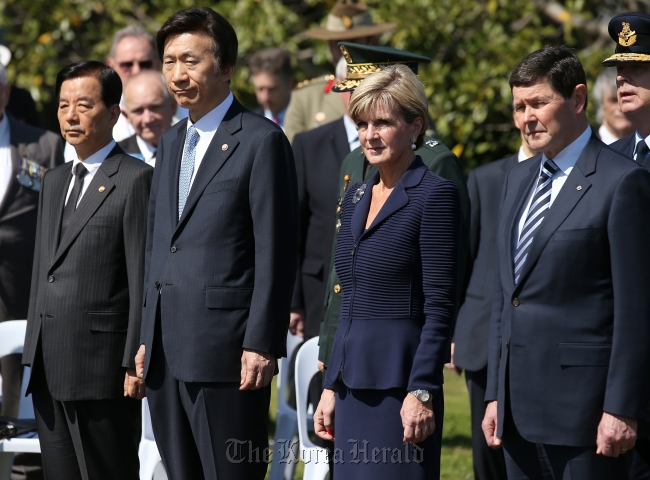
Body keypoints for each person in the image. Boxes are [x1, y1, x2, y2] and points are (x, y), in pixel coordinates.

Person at [135, 7, 298, 480]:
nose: (177, 74)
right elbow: (158, 247)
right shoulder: (170, 143)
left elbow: (276, 248)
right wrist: (146, 334)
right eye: (168, 62)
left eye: (190, 60)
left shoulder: (261, 141)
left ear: (225, 68)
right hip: (164, 353)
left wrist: (262, 343)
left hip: (228, 354)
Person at [481, 45, 650, 479]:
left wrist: (621, 407)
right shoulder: (516, 179)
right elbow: (507, 295)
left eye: (538, 103)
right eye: (519, 107)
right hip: (516, 413)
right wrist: (495, 393)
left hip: (586, 416)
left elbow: (635, 310)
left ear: (577, 100)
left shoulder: (623, 182)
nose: (526, 118)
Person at [313, 64, 461, 479]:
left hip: (400, 387)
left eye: (383, 122)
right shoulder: (356, 193)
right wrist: (329, 388)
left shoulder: (435, 195)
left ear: (416, 125)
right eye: (362, 123)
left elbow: (440, 305)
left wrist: (422, 390)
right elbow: (348, 297)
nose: (369, 135)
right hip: (349, 385)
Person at [22, 60, 152, 480]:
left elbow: (140, 274)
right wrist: (31, 348)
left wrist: (134, 359)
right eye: (63, 106)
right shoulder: (55, 179)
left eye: (83, 104)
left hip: (102, 368)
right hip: (47, 364)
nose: (71, 116)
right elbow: (46, 267)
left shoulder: (135, 179)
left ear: (114, 113)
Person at [317, 43, 470, 375]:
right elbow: (342, 265)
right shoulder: (353, 160)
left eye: (381, 115)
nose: (370, 131)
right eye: (362, 117)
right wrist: (329, 339)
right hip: (348, 335)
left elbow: (446, 267)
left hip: (400, 344)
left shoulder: (435, 163)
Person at [448, 131, 537, 480]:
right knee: (487, 452)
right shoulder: (484, 178)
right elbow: (462, 258)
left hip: (540, 334)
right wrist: (454, 331)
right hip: (483, 335)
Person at [0, 62, 64, 420]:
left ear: (6, 93)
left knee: (21, 406)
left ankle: (25, 472)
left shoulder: (43, 146)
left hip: (23, 290)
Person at [602, 13, 650, 478]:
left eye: (637, 68)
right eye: (619, 69)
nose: (622, 77)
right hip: (615, 379)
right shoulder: (610, 161)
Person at [284, 0, 395, 142]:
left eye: (354, 42)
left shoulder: (397, 88)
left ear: (371, 42)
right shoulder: (306, 98)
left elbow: (423, 142)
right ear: (330, 47)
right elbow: (295, 157)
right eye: (339, 44)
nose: (346, 51)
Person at [106, 25, 161, 143]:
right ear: (111, 67)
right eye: (127, 65)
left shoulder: (187, 112)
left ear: (158, 64)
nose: (136, 71)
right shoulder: (98, 118)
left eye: (145, 64)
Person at [119, 70, 176, 167]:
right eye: (138, 111)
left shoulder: (194, 148)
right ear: (126, 116)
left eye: (155, 107)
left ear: (173, 106)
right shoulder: (115, 158)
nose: (147, 119)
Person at [249, 48, 294, 131]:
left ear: (289, 83)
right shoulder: (249, 123)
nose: (264, 97)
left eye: (272, 89)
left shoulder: (307, 119)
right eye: (260, 89)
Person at [592, 69, 633, 144]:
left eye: (626, 97)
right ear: (601, 104)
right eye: (613, 100)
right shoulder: (587, 150)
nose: (621, 107)